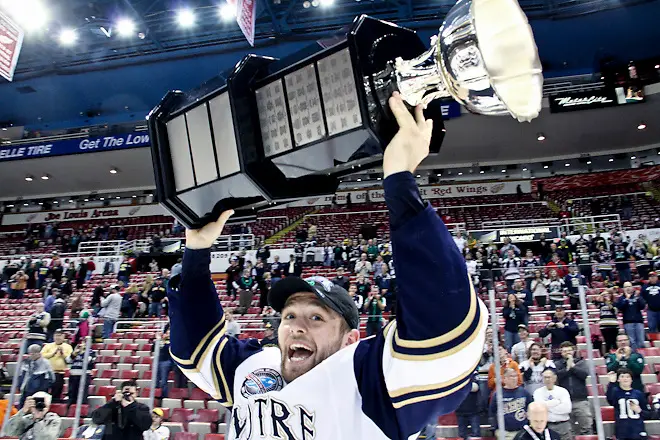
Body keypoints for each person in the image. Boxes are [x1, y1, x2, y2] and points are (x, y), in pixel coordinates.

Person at [167, 92, 488, 439]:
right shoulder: (257, 366)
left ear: (351, 339)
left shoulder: (367, 379)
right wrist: (197, 251)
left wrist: (399, 181)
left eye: (316, 317)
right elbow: (196, 348)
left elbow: (446, 332)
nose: (296, 327)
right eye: (289, 316)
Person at [554, 342, 592, 435]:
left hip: (580, 400)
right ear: (561, 353)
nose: (567, 353)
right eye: (564, 351)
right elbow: (557, 376)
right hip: (564, 402)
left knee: (586, 426)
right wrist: (567, 367)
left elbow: (584, 375)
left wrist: (573, 366)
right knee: (567, 430)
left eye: (569, 350)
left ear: (574, 351)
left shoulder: (581, 362)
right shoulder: (557, 364)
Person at [606, 368, 653, 440]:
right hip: (622, 431)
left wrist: (639, 411)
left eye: (628, 377)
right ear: (618, 379)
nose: (625, 379)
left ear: (631, 379)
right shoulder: (615, 392)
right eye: (622, 376)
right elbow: (610, 399)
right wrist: (611, 383)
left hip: (638, 430)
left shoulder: (639, 394)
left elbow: (649, 414)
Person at [490, 368, 533, 440]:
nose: (514, 378)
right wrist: (496, 429)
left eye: (515, 376)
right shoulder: (498, 394)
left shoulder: (524, 392)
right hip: (505, 432)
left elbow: (531, 408)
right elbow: (492, 412)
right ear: (504, 379)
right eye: (511, 376)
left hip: (522, 431)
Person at [532, 368, 572, 440]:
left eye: (549, 377)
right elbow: (540, 409)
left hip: (563, 426)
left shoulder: (563, 391)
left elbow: (567, 409)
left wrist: (546, 406)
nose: (547, 379)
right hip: (547, 426)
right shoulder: (537, 392)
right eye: (545, 377)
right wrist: (556, 402)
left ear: (554, 378)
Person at [40, 330, 72, 402]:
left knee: (56, 393)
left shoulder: (68, 347)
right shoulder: (48, 346)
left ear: (63, 337)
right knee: (43, 391)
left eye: (60, 335)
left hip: (60, 373)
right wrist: (53, 354)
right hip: (47, 373)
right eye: (56, 335)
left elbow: (70, 360)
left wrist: (62, 354)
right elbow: (41, 356)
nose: (58, 337)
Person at [615, 281, 646, 350]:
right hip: (628, 322)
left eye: (629, 286)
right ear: (623, 289)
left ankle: (641, 355)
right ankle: (634, 356)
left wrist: (638, 298)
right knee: (632, 342)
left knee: (641, 341)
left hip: (639, 321)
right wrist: (627, 299)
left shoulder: (637, 296)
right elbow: (620, 307)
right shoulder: (621, 298)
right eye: (626, 287)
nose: (628, 288)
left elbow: (642, 306)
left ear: (632, 287)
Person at [66, 340, 96, 405]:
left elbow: (87, 360)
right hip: (73, 375)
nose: (82, 344)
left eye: (85, 343)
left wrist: (83, 352)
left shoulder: (91, 352)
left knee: (82, 396)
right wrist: (74, 353)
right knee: (71, 395)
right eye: (82, 343)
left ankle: (82, 410)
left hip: (84, 376)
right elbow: (68, 360)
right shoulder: (76, 352)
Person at [455, 372, 481, 440]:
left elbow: (475, 387)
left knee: (476, 435)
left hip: (473, 409)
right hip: (460, 409)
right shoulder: (455, 373)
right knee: (462, 435)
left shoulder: (474, 373)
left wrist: (462, 386)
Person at [594, 289, 620, 355]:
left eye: (608, 294)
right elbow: (595, 302)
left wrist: (608, 302)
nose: (607, 296)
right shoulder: (601, 304)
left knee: (614, 342)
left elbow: (614, 311)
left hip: (613, 325)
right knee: (607, 342)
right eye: (606, 295)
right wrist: (601, 294)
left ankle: (616, 355)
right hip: (604, 325)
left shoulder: (615, 303)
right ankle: (608, 356)